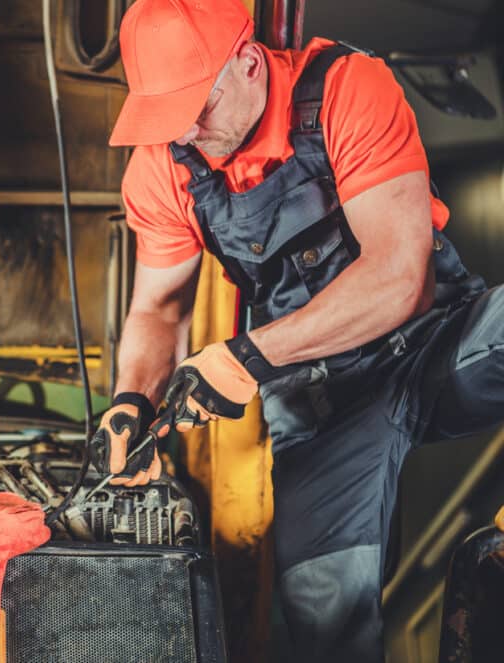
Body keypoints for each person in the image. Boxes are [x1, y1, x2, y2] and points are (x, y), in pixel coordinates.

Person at [90, 0, 502, 660]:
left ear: (250, 64)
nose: (188, 132)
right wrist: (130, 400)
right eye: (170, 117)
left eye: (199, 106)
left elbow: (400, 275)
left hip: (431, 343)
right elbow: (158, 308)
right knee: (328, 626)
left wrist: (248, 357)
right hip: (321, 405)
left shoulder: (347, 89)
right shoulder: (163, 167)